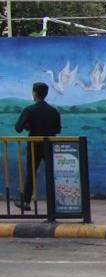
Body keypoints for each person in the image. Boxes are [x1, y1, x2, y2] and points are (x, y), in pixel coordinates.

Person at [14, 82, 61, 211]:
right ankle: (55, 204)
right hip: (49, 145)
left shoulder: (29, 110)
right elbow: (58, 129)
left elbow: (18, 128)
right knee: (51, 173)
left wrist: (29, 126)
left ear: (34, 93)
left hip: (34, 145)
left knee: (31, 174)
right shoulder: (54, 111)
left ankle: (26, 202)